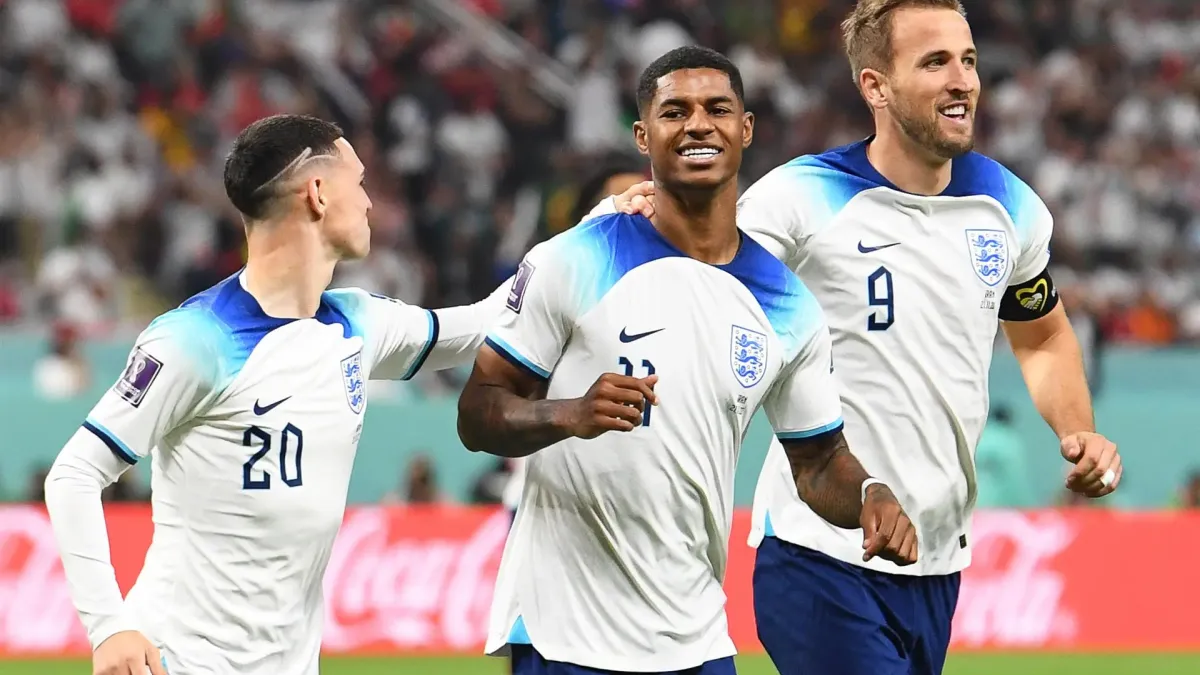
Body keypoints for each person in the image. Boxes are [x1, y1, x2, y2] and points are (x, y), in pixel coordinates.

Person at [600, 3, 1124, 673]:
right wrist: (647, 216)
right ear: (875, 85)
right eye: (934, 62)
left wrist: (1078, 429)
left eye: (967, 60)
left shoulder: (1010, 207)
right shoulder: (803, 198)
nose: (961, 79)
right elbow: (698, 265)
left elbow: (1043, 335)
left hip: (936, 562)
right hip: (819, 557)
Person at [456, 46, 917, 675]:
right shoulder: (575, 259)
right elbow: (478, 411)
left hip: (697, 640)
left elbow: (818, 461)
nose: (698, 123)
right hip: (566, 633)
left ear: (745, 128)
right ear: (644, 135)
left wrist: (867, 493)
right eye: (676, 111)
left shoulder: (787, 303)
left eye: (717, 108)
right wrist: (568, 413)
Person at [43, 114, 504, 675]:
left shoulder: (358, 323)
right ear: (316, 193)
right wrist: (108, 627)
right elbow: (74, 473)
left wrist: (605, 229)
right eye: (357, 184)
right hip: (180, 661)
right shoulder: (195, 339)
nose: (369, 203)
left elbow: (494, 322)